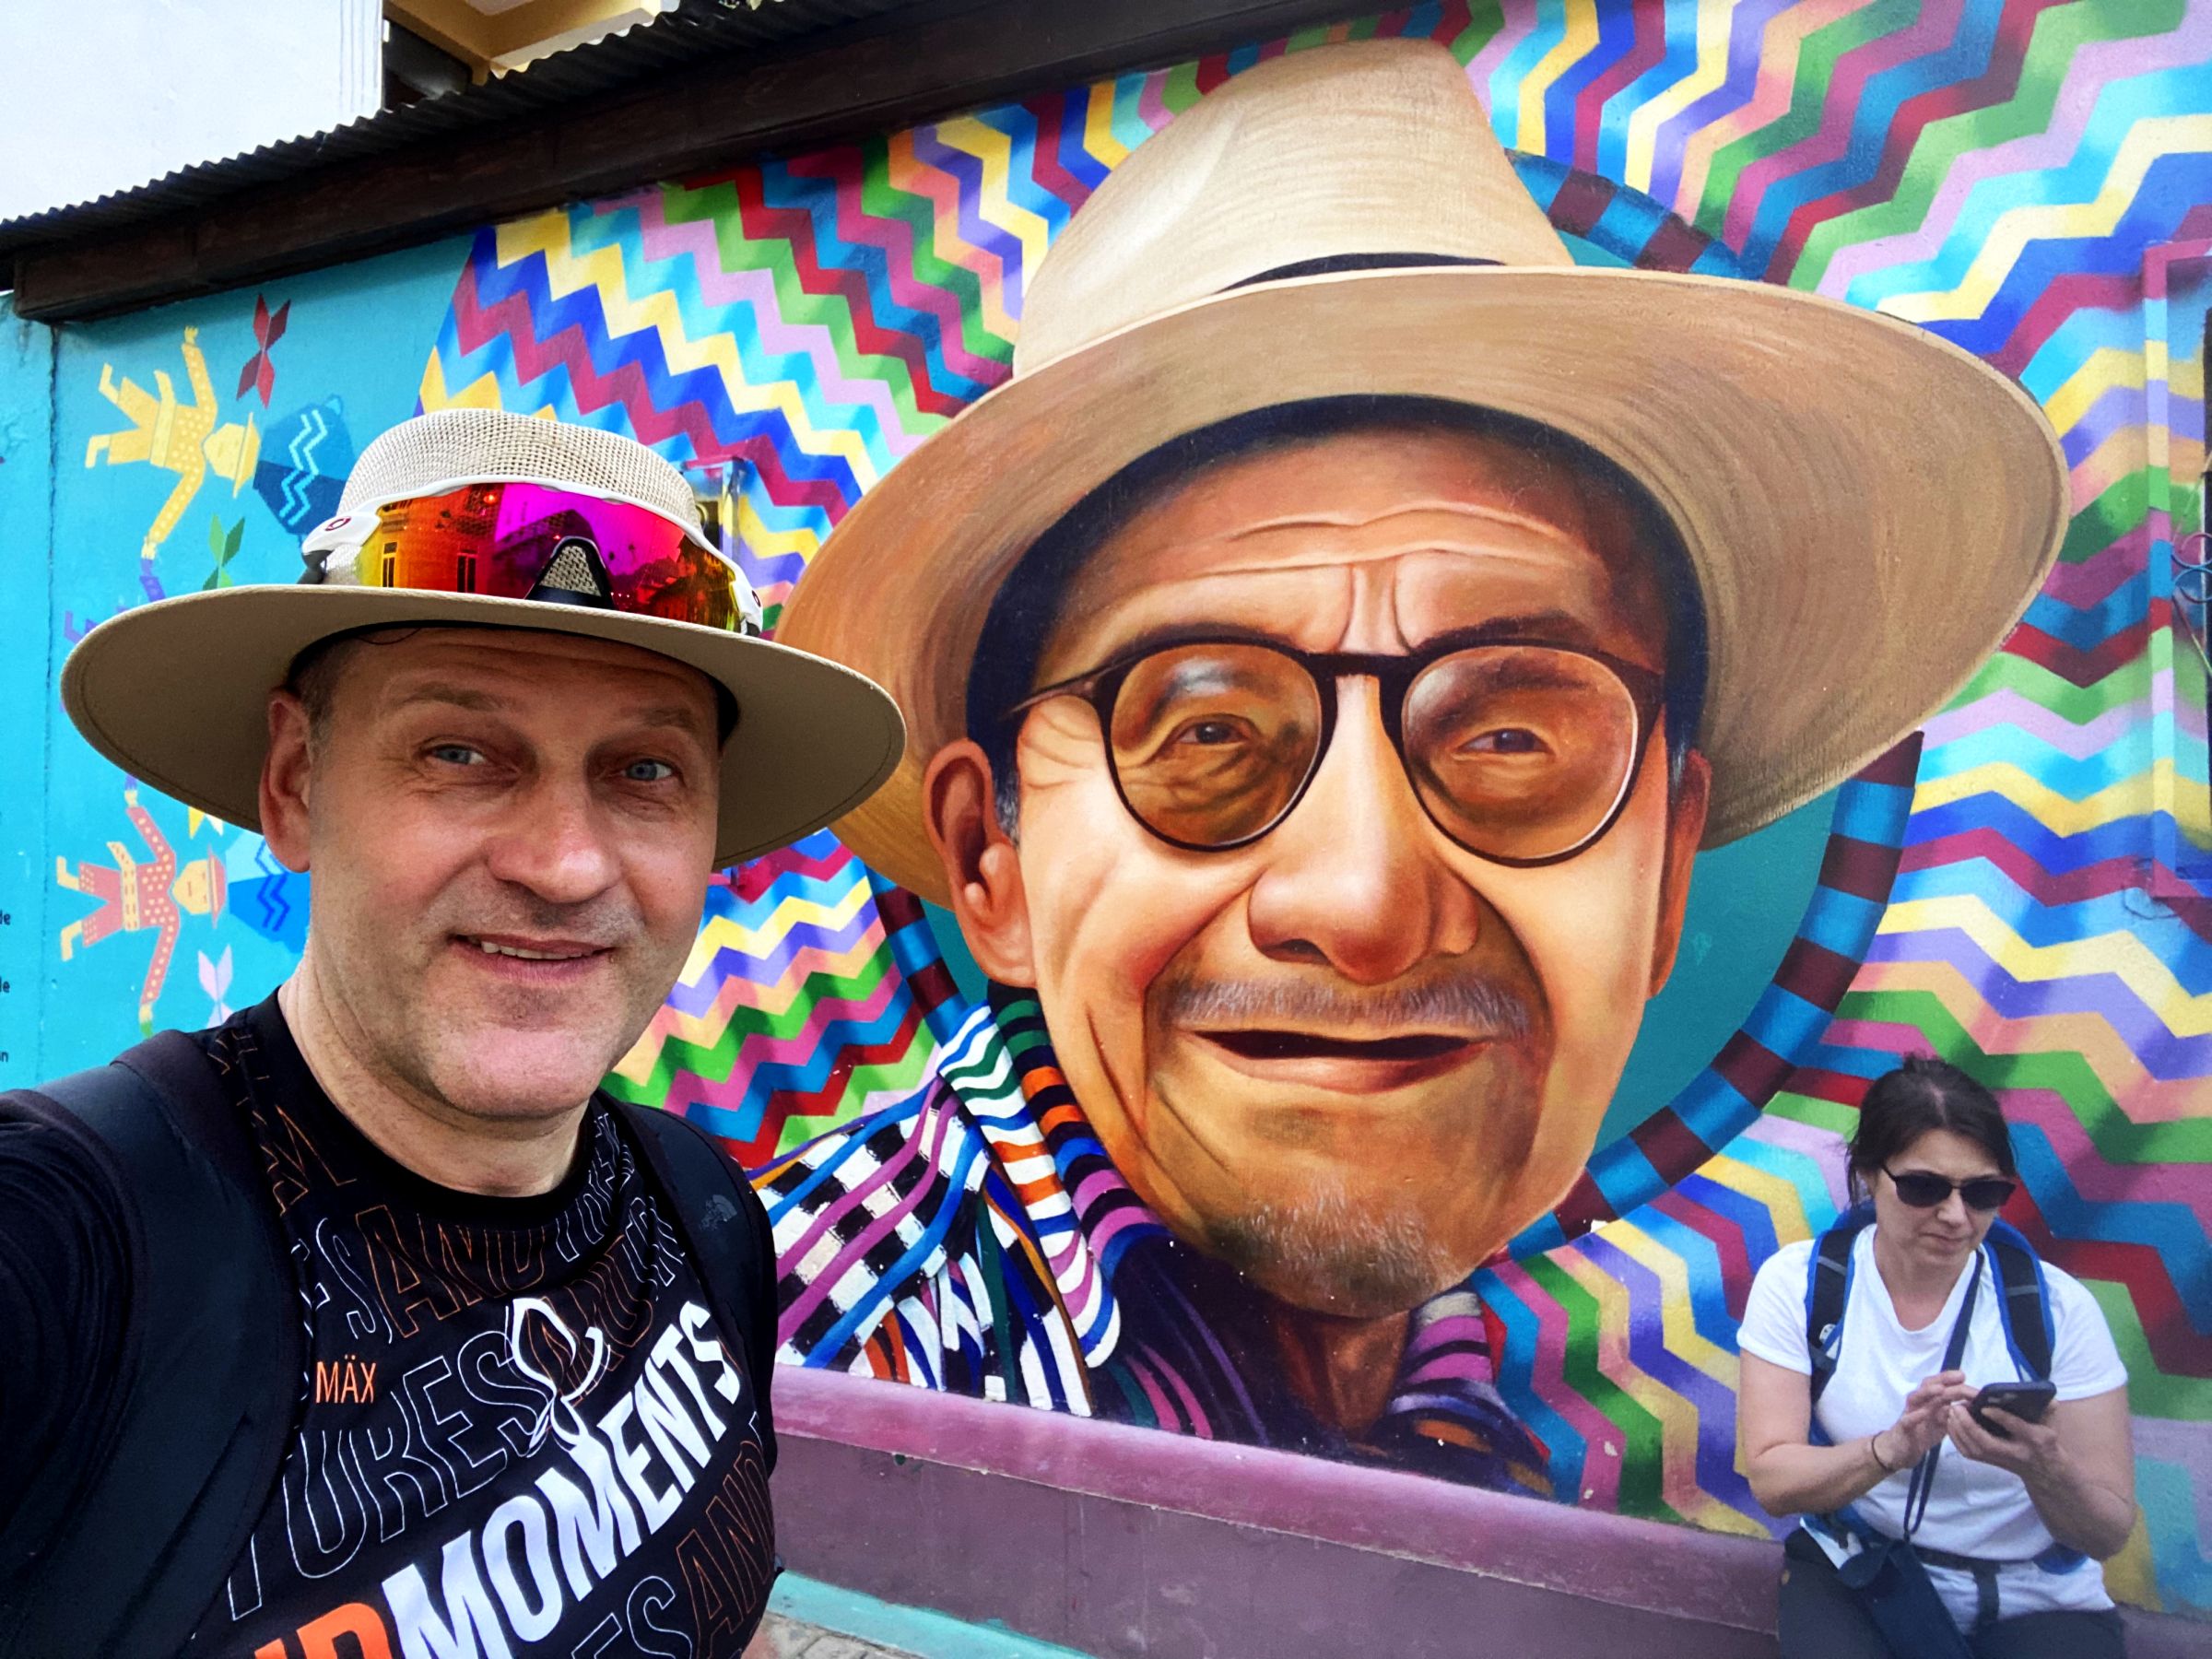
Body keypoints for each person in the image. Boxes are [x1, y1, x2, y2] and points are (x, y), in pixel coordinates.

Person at [755, 36, 2072, 1494]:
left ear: (1664, 879)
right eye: (1206, 732)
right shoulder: (774, 1383)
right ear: (989, 863)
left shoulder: (1438, 1387)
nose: (1366, 901)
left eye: (1511, 738)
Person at [0, 409, 902, 1657]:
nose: (565, 865)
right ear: (294, 785)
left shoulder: (701, 1212)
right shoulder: (70, 1249)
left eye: (645, 771)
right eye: (461, 751)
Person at [1737, 1056, 2136, 1656]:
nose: (1955, 1216)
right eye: (1924, 1188)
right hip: (1863, 1569)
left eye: (1983, 1192)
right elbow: (1772, 1479)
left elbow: (2106, 1533)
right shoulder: (1801, 1285)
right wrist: (1887, 1450)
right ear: (1869, 1175)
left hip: (2033, 1594)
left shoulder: (2057, 1308)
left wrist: (2045, 1469)